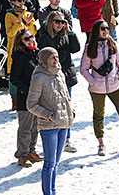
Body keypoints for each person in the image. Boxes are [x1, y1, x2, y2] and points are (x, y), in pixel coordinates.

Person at [80, 20, 119, 155]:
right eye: (103, 28)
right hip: (97, 88)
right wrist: (93, 81)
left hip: (115, 85)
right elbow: (83, 68)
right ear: (97, 30)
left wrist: (118, 77)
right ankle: (101, 144)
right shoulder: (89, 47)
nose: (106, 31)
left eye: (107, 28)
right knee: (98, 115)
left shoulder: (113, 45)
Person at [27, 47, 74, 195]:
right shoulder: (39, 77)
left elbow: (66, 96)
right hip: (49, 126)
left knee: (56, 164)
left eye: (57, 57)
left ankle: (53, 191)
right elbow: (31, 104)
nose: (56, 60)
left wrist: (71, 111)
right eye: (52, 58)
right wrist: (48, 115)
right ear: (45, 60)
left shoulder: (60, 73)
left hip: (64, 123)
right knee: (49, 164)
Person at [38, 11, 80, 153]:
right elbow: (45, 59)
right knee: (55, 109)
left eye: (62, 22)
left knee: (67, 108)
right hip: (51, 78)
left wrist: (70, 32)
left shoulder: (64, 34)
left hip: (65, 76)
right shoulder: (44, 37)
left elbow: (75, 49)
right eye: (57, 22)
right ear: (50, 22)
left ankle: (66, 140)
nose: (60, 25)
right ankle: (56, 139)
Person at [9, 28, 42, 167]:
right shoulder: (19, 56)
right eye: (26, 39)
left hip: (38, 97)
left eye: (31, 37)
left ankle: (31, 151)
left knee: (35, 126)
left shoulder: (36, 53)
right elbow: (14, 78)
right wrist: (26, 90)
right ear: (21, 42)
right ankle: (22, 155)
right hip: (25, 98)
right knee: (25, 128)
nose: (30, 40)